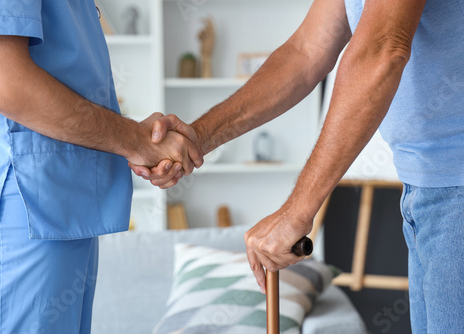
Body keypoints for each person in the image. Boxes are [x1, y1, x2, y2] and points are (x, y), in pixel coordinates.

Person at [131, 0, 464, 332]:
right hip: (428, 192)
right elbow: (306, 51)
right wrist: (198, 138)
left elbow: (381, 50)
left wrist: (296, 213)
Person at [0, 1, 201, 333]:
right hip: (22, 211)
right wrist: (137, 141)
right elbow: (4, 82)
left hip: (58, 209)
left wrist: (140, 141)